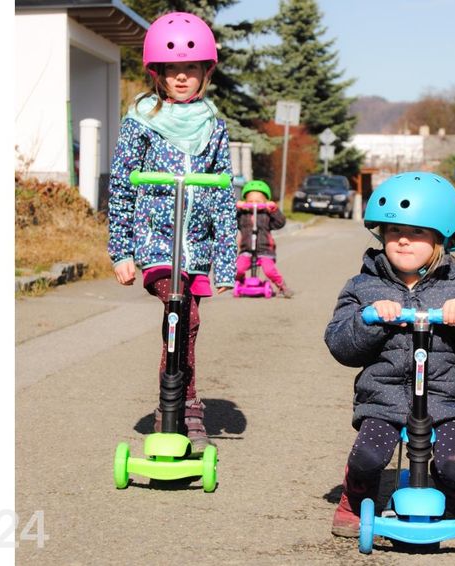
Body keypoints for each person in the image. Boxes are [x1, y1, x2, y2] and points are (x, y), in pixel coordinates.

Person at [324, 172, 455, 540]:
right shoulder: (363, 286)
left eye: (417, 232)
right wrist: (370, 318)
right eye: (393, 232)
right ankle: (355, 496)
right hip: (384, 399)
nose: (403, 240)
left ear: (442, 237)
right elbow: (340, 345)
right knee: (369, 456)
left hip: (445, 399)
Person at [107, 11, 236, 454]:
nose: (182, 78)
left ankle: (179, 405)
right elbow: (122, 186)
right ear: (158, 74)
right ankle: (181, 404)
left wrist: (223, 260)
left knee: (186, 322)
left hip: (196, 245)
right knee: (183, 314)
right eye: (173, 70)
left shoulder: (214, 125)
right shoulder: (140, 120)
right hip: (155, 242)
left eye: (191, 69)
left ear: (206, 72)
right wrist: (121, 250)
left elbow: (223, 196)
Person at [235, 180, 294, 298]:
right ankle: (241, 281)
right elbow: (230, 221)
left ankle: (282, 287)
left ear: (265, 202)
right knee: (238, 269)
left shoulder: (267, 215)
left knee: (270, 270)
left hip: (265, 250)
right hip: (246, 249)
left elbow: (280, 223)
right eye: (250, 201)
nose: (254, 204)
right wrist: (236, 207)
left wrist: (274, 210)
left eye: (258, 201)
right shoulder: (242, 215)